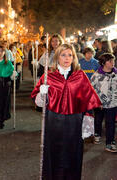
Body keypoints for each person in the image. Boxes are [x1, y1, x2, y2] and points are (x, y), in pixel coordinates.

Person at [31, 44, 101, 179]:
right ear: (57, 57)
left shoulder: (79, 76)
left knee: (73, 154)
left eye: (70, 55)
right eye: (63, 55)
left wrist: (87, 121)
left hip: (74, 122)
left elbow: (88, 99)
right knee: (53, 154)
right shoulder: (49, 76)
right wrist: (42, 93)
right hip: (53, 121)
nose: (67, 58)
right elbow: (39, 103)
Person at [91, 53, 117, 152]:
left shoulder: (116, 74)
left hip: (113, 103)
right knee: (98, 119)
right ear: (103, 63)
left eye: (113, 61)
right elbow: (92, 90)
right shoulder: (97, 76)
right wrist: (97, 102)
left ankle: (109, 143)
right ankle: (97, 134)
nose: (112, 63)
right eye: (109, 61)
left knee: (110, 123)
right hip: (100, 104)